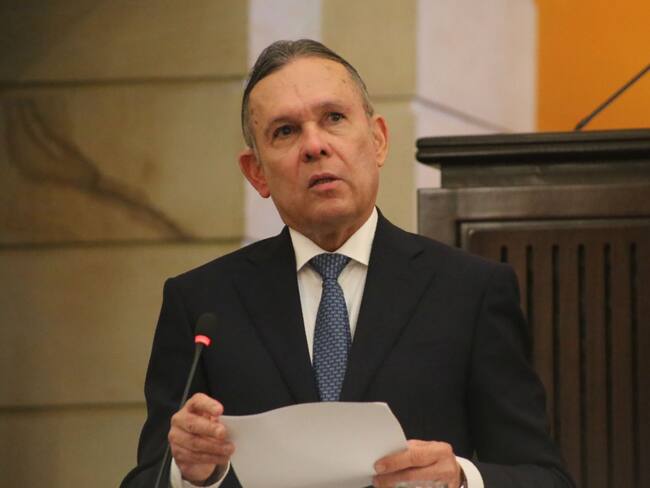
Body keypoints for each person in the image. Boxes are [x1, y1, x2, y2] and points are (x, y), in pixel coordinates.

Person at [122, 39, 575, 488]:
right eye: (285, 131)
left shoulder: (469, 291)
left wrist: (459, 479)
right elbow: (147, 478)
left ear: (378, 140)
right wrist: (192, 475)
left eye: (334, 118)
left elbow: (545, 478)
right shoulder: (202, 304)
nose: (314, 145)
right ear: (256, 172)